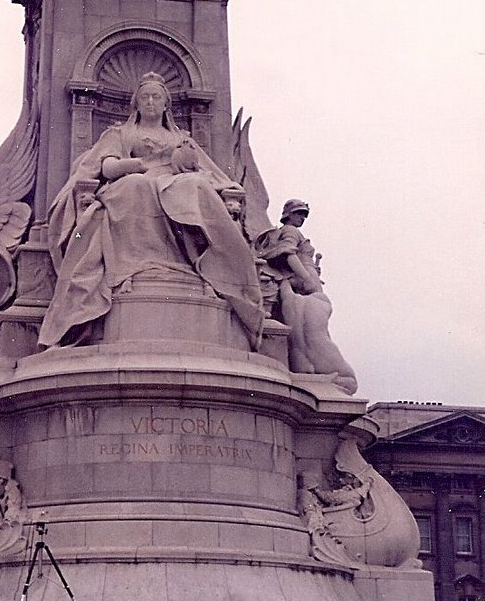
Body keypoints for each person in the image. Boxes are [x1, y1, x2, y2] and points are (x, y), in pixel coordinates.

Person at [39, 72, 264, 349]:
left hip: (173, 182)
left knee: (194, 187)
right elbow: (107, 167)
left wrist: (204, 173)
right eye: (145, 97)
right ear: (136, 103)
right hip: (132, 181)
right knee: (135, 187)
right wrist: (140, 165)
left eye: (156, 97)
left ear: (166, 104)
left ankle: (199, 269)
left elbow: (207, 171)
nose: (150, 102)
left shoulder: (181, 138)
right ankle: (132, 269)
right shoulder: (120, 134)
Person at [255, 201, 358, 394]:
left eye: (304, 215)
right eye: (299, 214)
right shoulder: (291, 231)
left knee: (304, 327)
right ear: (288, 214)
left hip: (297, 286)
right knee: (314, 326)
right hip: (306, 284)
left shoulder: (286, 232)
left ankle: (308, 366)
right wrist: (307, 278)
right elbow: (288, 254)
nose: (302, 218)